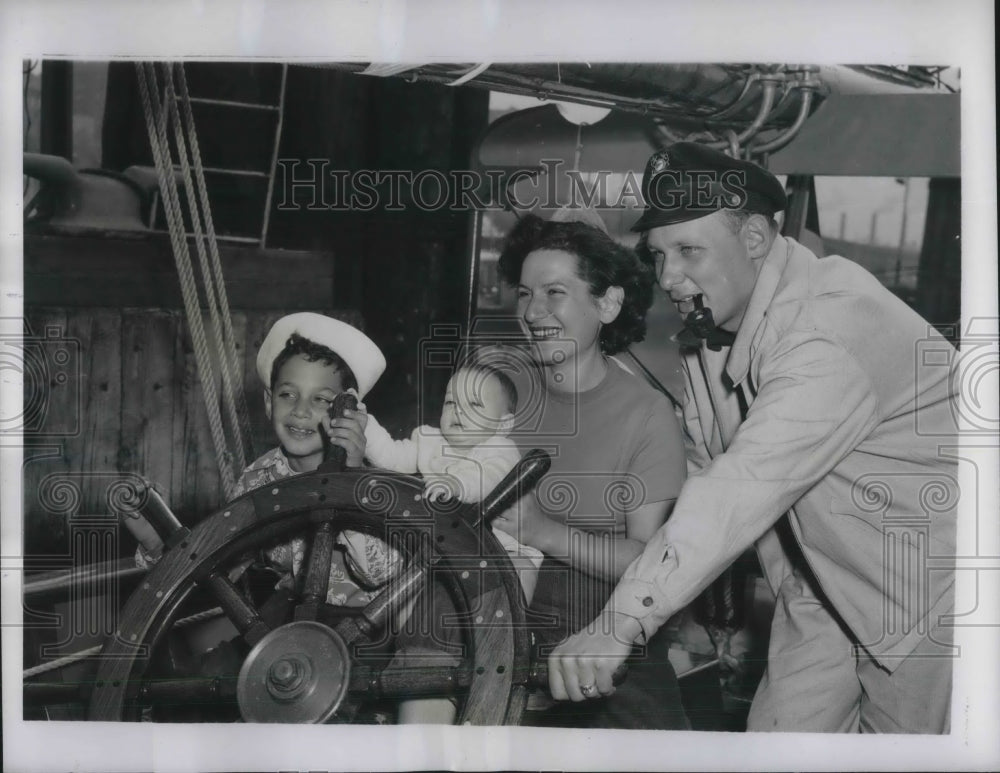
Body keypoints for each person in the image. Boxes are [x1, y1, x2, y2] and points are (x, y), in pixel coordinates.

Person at [547, 142, 959, 734]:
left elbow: (740, 487)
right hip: (821, 586)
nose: (669, 277)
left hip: (929, 590)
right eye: (658, 254)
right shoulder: (711, 336)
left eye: (690, 250)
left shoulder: (827, 329)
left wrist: (622, 620)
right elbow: (700, 471)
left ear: (758, 239)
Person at [487, 211, 690, 730]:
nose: (533, 312)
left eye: (555, 292)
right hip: (494, 603)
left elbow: (647, 565)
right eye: (525, 293)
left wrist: (544, 533)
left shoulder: (647, 414)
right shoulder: (499, 389)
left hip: (606, 616)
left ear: (608, 303)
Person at [362, 361, 545, 724]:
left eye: (475, 405)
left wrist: (458, 486)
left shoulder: (500, 448)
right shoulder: (428, 440)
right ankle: (412, 663)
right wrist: (364, 423)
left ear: (503, 422)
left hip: (499, 550)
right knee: (406, 607)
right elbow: (392, 457)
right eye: (451, 402)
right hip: (440, 551)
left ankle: (518, 656)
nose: (458, 413)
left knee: (512, 602)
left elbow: (488, 476)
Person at [234, 312, 400, 606]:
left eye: (321, 400)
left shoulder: (373, 480)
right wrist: (152, 541)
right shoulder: (256, 480)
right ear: (269, 403)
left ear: (348, 412)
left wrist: (348, 479)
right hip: (295, 618)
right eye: (288, 394)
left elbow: (382, 572)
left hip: (371, 625)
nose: (300, 411)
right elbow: (217, 564)